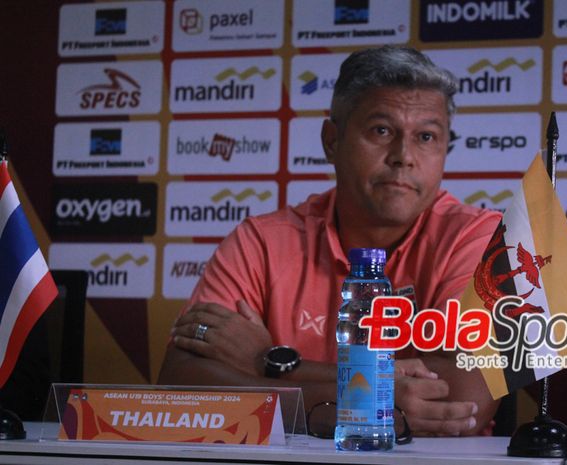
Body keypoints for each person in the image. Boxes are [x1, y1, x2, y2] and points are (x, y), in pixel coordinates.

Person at [158, 46, 502, 437]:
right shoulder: (262, 242)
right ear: (331, 140)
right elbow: (180, 385)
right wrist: (354, 407)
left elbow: (462, 400)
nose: (403, 156)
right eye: (382, 130)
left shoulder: (477, 238)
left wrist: (267, 362)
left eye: (426, 136)